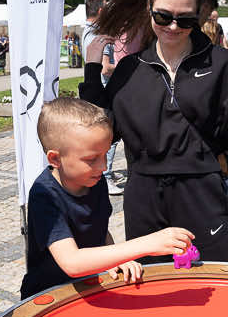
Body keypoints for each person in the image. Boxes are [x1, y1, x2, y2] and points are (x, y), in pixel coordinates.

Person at [82, 0, 228, 262]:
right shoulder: (129, 69)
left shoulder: (220, 64)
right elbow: (101, 131)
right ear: (149, 8)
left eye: (186, 19)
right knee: (152, 295)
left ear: (199, 15)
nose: (174, 27)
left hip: (203, 196)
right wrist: (91, 70)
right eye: (163, 16)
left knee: (210, 290)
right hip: (145, 201)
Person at [21, 98, 195, 297]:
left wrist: (116, 258)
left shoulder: (93, 180)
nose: (103, 167)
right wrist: (147, 244)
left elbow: (100, 230)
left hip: (89, 288)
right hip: (49, 297)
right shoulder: (44, 195)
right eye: (91, 159)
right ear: (55, 158)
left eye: (105, 155)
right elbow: (72, 262)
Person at [82, 0, 122, 195]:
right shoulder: (100, 36)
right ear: (100, 11)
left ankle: (105, 175)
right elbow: (105, 69)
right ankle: (105, 176)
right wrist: (127, 66)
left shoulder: (85, 32)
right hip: (104, 89)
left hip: (95, 88)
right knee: (109, 136)